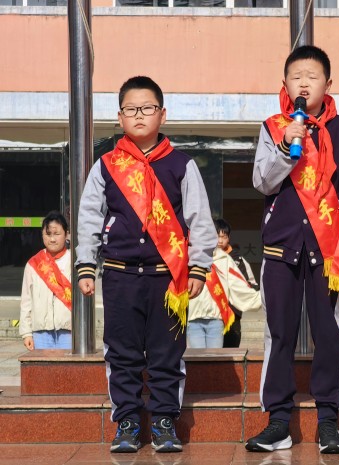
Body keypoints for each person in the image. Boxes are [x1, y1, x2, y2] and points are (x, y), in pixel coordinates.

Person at [75, 76, 217, 454]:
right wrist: (86, 264)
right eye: (131, 109)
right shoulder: (106, 165)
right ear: (120, 117)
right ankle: (126, 421)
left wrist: (199, 267)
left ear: (162, 114)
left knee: (166, 353)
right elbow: (89, 216)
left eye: (147, 108)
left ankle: (164, 420)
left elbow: (200, 220)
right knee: (121, 353)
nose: (139, 115)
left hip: (167, 280)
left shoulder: (182, 165)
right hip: (119, 276)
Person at [247, 45, 339, 454]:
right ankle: (278, 421)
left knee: (329, 334)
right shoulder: (273, 127)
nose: (304, 83)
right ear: (284, 84)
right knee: (279, 334)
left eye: (312, 77)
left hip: (331, 250)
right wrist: (286, 147)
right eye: (296, 76)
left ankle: (329, 421)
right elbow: (262, 182)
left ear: (327, 84)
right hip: (281, 249)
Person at [187, 245, 261, 348]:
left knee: (215, 357)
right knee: (197, 357)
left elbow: (238, 285)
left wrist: (265, 297)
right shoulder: (188, 257)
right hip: (193, 318)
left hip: (216, 320)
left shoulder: (223, 258)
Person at [19, 211, 72, 350]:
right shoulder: (33, 264)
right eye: (48, 234)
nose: (52, 239)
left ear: (66, 234)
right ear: (42, 235)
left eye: (57, 234)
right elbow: (26, 301)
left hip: (68, 332)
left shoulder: (75, 262)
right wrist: (26, 333)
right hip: (41, 334)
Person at [213, 218, 260, 348]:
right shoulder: (205, 258)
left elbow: (252, 285)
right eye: (217, 236)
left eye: (224, 237)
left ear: (229, 238)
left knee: (231, 350)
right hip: (213, 314)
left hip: (233, 315)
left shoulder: (238, 260)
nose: (220, 241)